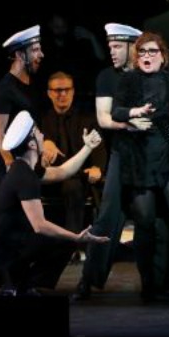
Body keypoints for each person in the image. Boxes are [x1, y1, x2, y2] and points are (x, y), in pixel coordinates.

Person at [0, 111, 109, 294]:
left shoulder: (26, 169)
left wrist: (87, 147)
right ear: (32, 143)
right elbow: (40, 226)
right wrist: (77, 237)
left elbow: (63, 172)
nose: (43, 136)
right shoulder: (23, 176)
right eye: (39, 133)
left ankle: (22, 285)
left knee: (61, 243)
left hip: (13, 243)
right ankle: (15, 281)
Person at [74, 23, 166, 300]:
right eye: (110, 46)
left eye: (116, 47)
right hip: (121, 155)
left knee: (148, 220)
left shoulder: (150, 73)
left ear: (131, 47)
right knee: (106, 218)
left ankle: (152, 283)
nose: (111, 52)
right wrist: (128, 124)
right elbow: (103, 118)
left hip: (148, 157)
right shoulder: (106, 77)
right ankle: (88, 280)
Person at [111, 31, 169, 301]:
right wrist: (133, 113)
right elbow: (115, 111)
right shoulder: (128, 79)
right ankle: (149, 282)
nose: (147, 56)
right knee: (146, 223)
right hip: (140, 162)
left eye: (153, 52)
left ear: (163, 56)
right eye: (142, 52)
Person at [39, 71, 107, 233]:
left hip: (79, 177)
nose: (62, 94)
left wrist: (97, 167)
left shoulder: (87, 119)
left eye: (67, 89)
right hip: (50, 177)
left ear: (73, 91)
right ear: (49, 93)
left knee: (73, 186)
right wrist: (44, 146)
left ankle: (72, 244)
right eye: (57, 90)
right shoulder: (43, 119)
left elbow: (99, 147)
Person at [0, 25, 44, 176]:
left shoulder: (32, 82)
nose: (41, 54)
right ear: (20, 55)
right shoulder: (5, 88)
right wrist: (10, 163)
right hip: (15, 166)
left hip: (32, 160)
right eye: (35, 50)